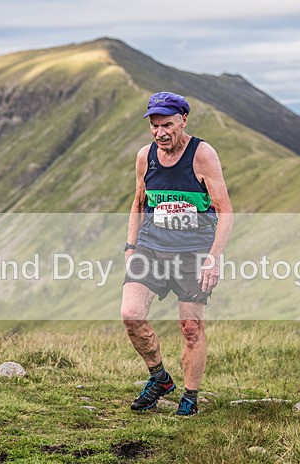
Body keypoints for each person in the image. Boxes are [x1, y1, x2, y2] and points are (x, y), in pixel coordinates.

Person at [121, 91, 233, 415]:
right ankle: (159, 378)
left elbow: (225, 211)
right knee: (131, 315)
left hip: (193, 253)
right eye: (154, 126)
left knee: (191, 327)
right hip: (151, 248)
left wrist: (214, 257)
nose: (161, 133)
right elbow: (139, 202)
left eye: (167, 124)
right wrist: (131, 245)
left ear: (183, 120)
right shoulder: (145, 157)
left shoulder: (203, 155)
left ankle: (190, 397)